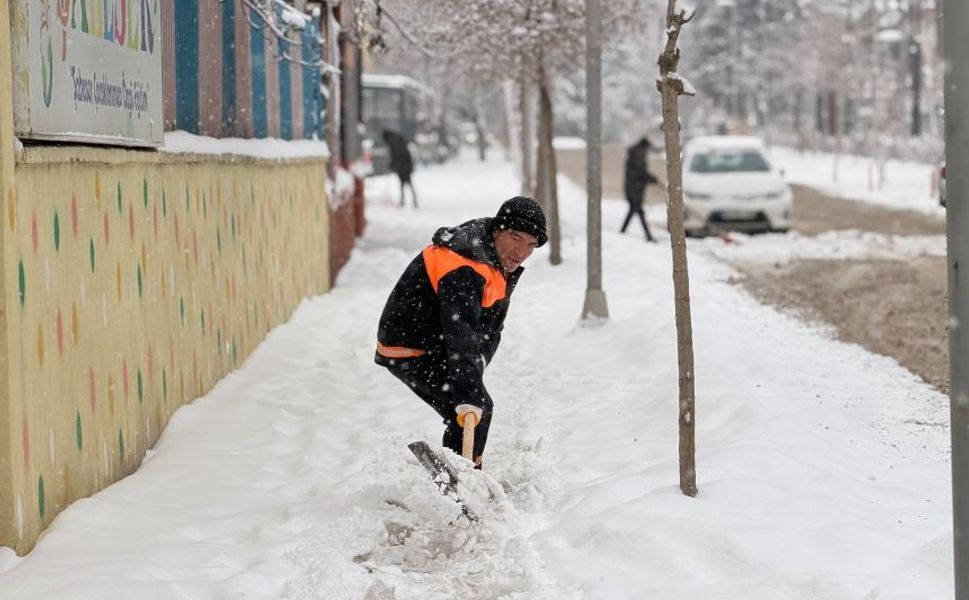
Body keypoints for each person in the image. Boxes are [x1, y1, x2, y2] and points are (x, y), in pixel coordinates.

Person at [374, 197, 547, 468]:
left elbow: (490, 331)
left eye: (530, 245)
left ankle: (461, 474)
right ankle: (464, 477)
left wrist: (473, 371)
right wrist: (469, 388)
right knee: (475, 407)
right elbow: (461, 332)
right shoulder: (465, 264)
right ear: (498, 229)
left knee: (472, 409)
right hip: (410, 346)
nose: (521, 251)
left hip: (434, 342)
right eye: (516, 237)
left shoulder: (493, 263)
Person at [621, 136, 658, 242]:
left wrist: (653, 180)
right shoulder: (637, 156)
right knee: (639, 211)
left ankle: (623, 231)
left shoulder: (634, 155)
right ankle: (648, 236)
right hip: (635, 189)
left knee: (633, 211)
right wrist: (654, 180)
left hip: (633, 188)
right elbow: (641, 173)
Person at [381, 129, 417, 208]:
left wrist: (392, 164)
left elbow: (397, 155)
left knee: (406, 184)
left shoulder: (393, 141)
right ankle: (409, 201)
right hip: (405, 165)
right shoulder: (397, 138)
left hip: (403, 166)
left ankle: (406, 201)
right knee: (407, 184)